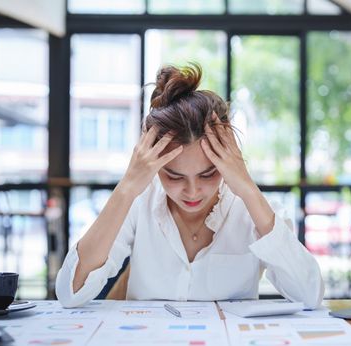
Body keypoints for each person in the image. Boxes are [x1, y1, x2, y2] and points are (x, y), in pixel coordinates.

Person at [56, 64, 324, 308]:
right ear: (155, 165)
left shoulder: (249, 207)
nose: (193, 191)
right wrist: (126, 187)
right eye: (174, 176)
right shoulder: (140, 201)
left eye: (208, 174)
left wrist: (247, 188)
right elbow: (71, 293)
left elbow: (309, 295)